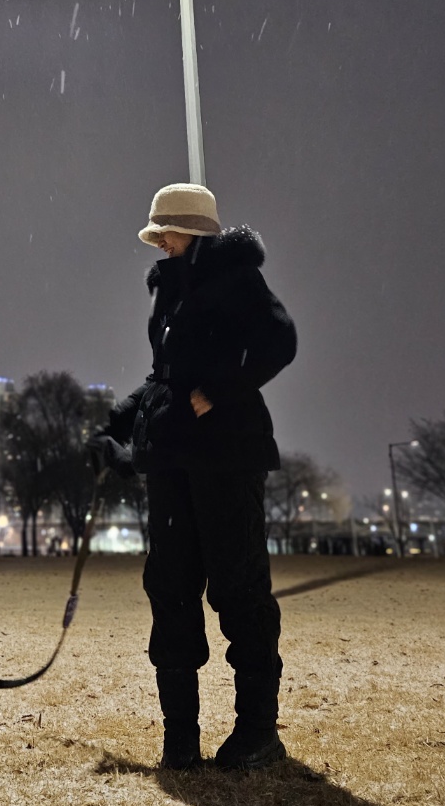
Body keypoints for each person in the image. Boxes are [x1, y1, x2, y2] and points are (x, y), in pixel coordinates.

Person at [90, 183, 296, 772]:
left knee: (238, 591)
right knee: (171, 590)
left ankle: (258, 732)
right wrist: (117, 422)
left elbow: (279, 343)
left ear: (194, 231)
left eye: (166, 231)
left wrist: (216, 393)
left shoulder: (236, 279)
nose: (159, 241)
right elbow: (163, 376)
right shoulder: (172, 288)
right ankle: (180, 737)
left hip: (228, 460)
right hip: (173, 462)